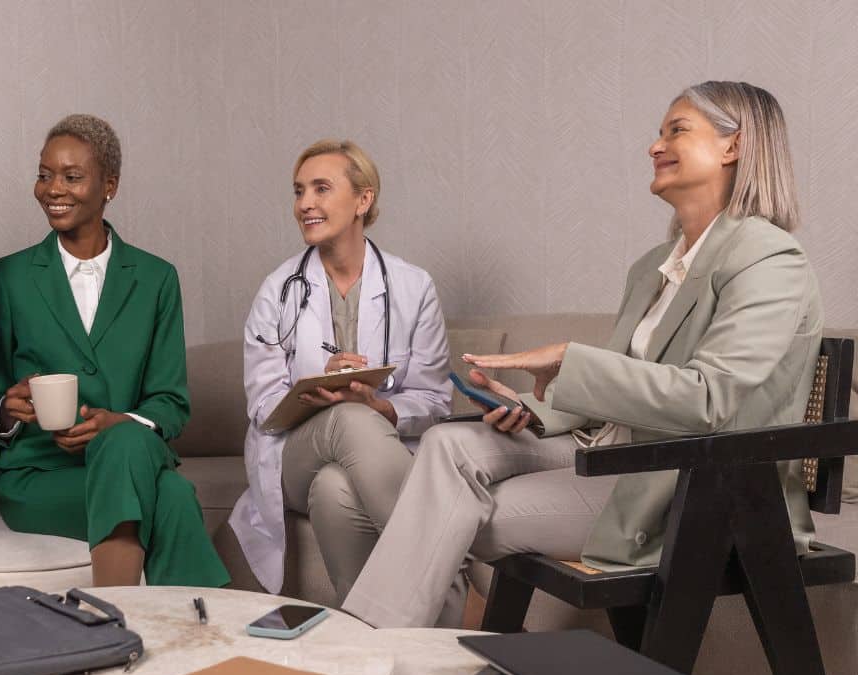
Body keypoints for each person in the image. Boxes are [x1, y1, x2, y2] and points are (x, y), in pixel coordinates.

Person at [343, 81, 822, 628]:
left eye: (677, 130)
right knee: (446, 442)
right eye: (659, 132)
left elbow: (707, 398)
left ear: (733, 147)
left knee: (445, 514)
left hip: (693, 489)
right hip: (612, 450)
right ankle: (388, 645)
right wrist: (535, 409)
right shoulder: (654, 266)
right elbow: (621, 389)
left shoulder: (769, 260)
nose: (654, 145)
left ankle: (379, 650)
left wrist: (572, 361)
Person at [0, 114, 229, 588]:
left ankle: (111, 629)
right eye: (44, 174)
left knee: (128, 445)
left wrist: (118, 423)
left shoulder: (156, 279)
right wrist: (7, 413)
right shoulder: (6, 279)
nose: (53, 188)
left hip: (125, 460)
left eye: (72, 177)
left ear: (108, 185)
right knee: (170, 492)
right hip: (40, 477)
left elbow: (170, 404)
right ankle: (208, 639)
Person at [232, 139, 453, 602]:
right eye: (298, 191)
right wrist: (314, 390)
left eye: (320, 189)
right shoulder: (278, 290)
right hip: (293, 451)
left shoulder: (414, 287)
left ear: (363, 199)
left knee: (334, 490)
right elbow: (263, 407)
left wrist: (379, 406)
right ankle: (450, 574)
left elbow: (435, 402)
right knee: (349, 420)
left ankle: (370, 630)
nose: (305, 204)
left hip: (369, 456)